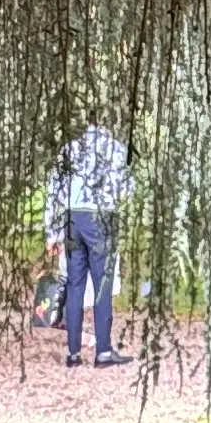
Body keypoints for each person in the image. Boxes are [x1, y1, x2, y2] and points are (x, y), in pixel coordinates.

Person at [44, 120, 131, 367]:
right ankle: (103, 352)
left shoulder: (68, 149)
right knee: (102, 284)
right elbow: (125, 189)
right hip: (101, 219)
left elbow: (53, 192)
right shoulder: (115, 148)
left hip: (72, 219)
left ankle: (73, 354)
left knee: (75, 285)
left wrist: (52, 233)